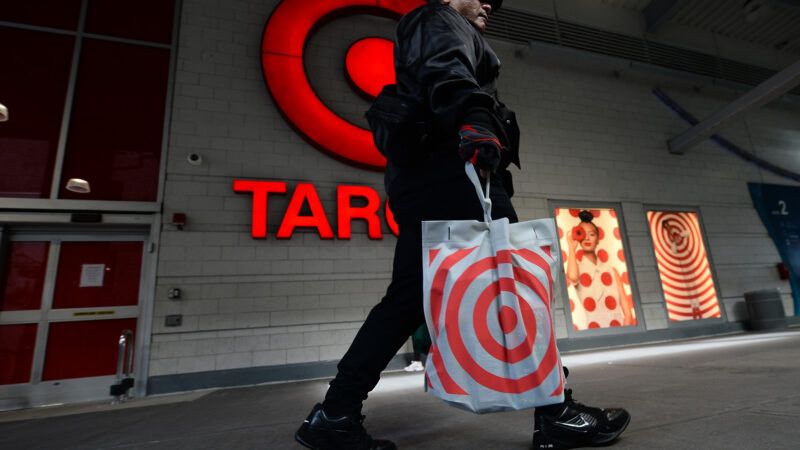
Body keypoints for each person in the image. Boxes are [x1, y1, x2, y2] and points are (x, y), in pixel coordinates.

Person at [295, 1, 630, 449]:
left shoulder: (436, 24)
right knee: (514, 284)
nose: (489, 3)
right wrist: (476, 122)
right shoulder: (438, 18)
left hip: (430, 178)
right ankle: (555, 413)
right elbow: (445, 69)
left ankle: (335, 413)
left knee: (408, 299)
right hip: (454, 172)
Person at [565, 210, 635, 329]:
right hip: (593, 329)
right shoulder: (578, 268)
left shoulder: (612, 271)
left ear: (598, 239)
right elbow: (572, 277)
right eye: (582, 234)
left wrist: (624, 334)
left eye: (592, 234)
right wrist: (571, 248)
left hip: (618, 329)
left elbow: (628, 313)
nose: (587, 238)